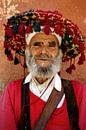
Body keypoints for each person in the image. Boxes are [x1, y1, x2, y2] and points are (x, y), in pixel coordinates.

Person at [0, 10, 86, 130]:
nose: (44, 51)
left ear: (59, 53)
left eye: (51, 45)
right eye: (37, 44)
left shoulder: (79, 92)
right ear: (27, 51)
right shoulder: (12, 91)